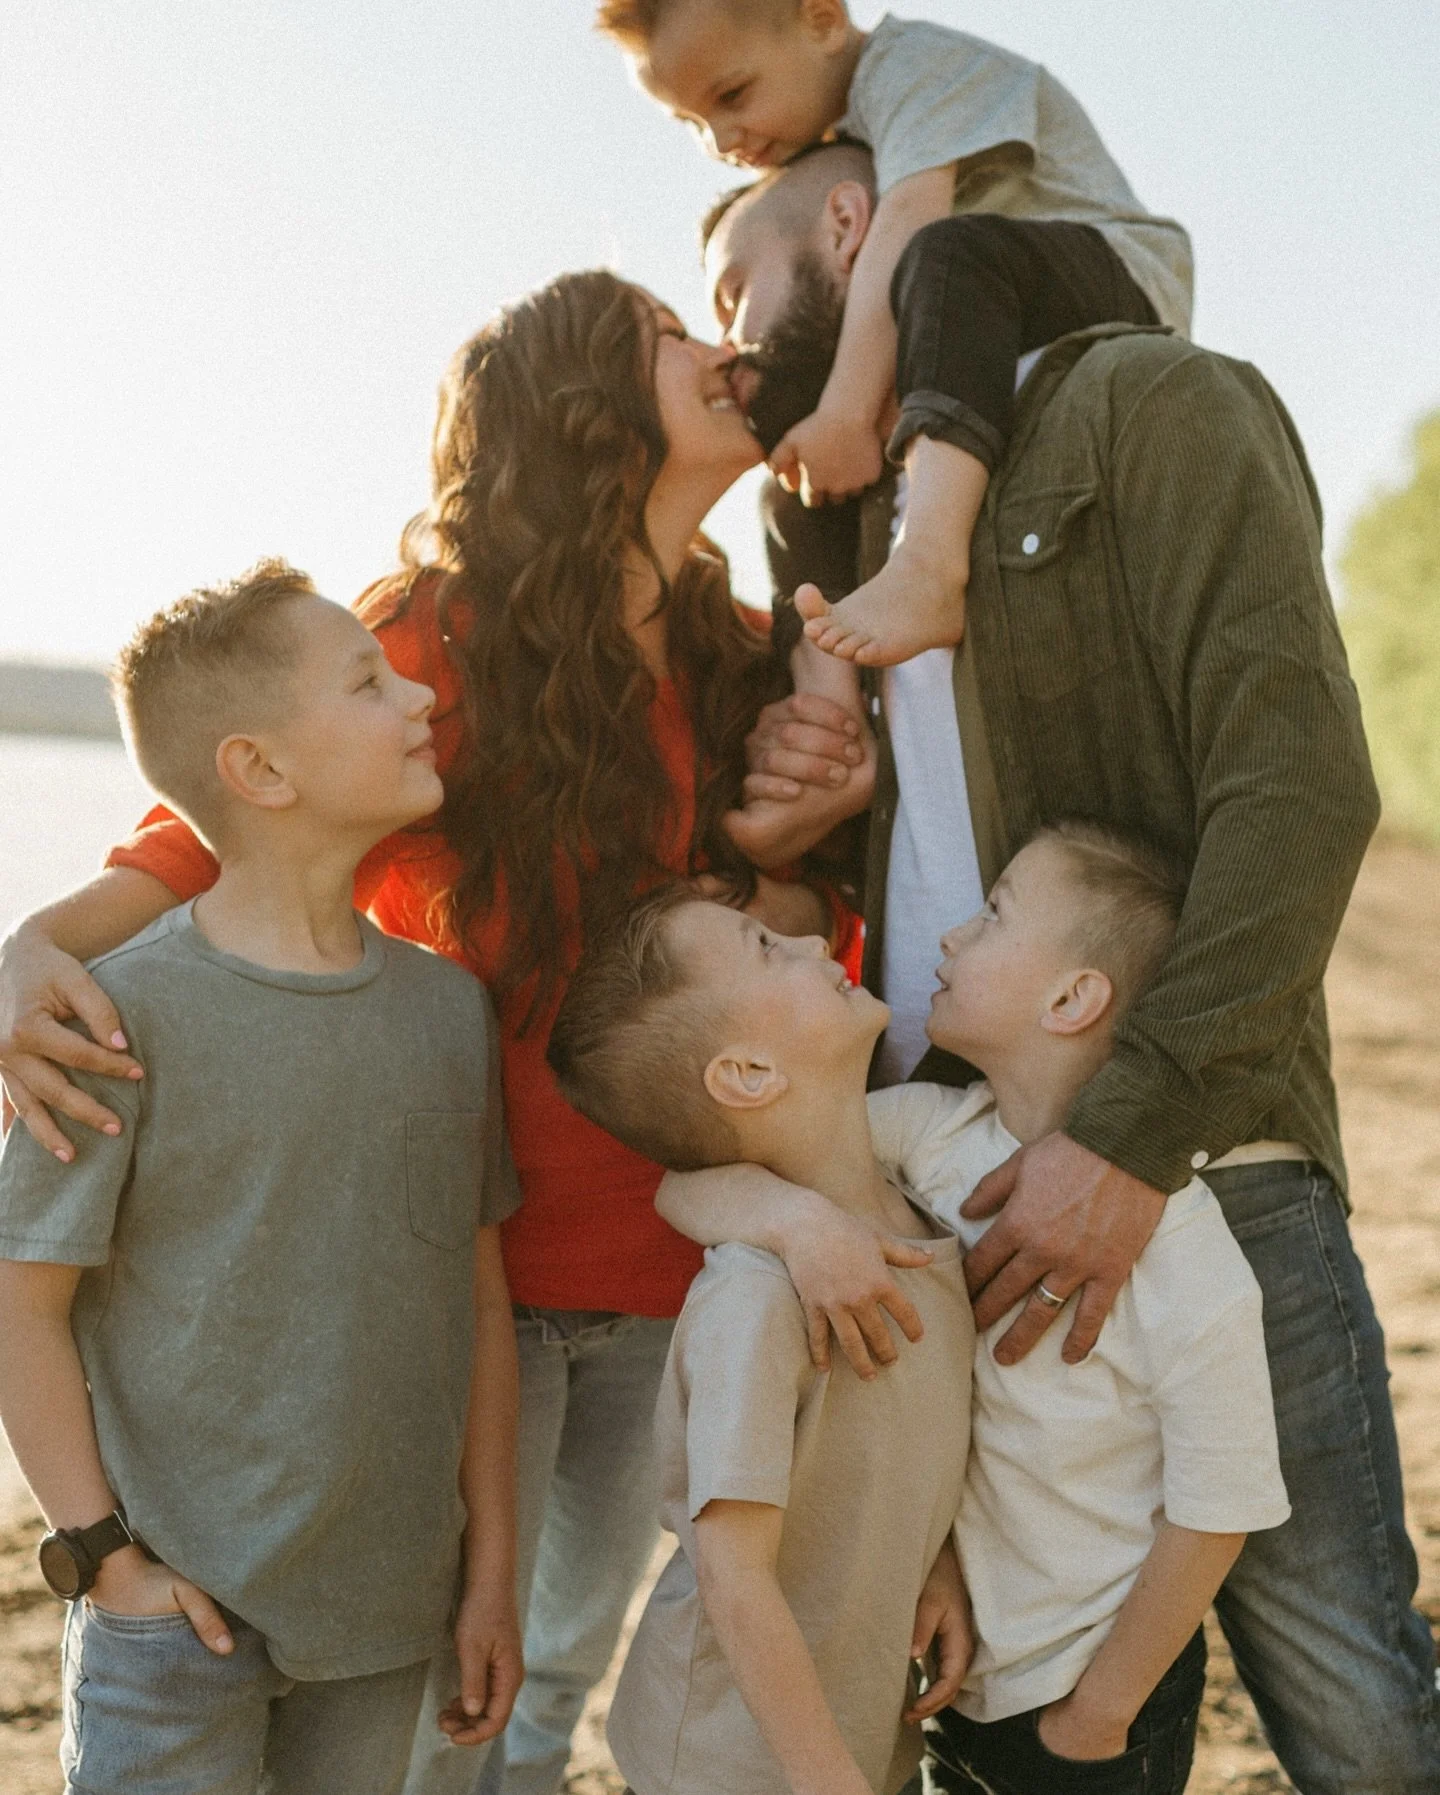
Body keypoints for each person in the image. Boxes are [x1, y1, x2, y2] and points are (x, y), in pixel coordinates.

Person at [0, 273, 846, 1795]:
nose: (725, 353)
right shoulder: (438, 639)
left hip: (680, 1259)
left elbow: (783, 956)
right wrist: (32, 949)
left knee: (554, 1669)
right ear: (583, 405)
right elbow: (213, 841)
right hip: (476, 1283)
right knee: (443, 1718)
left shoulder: (742, 652)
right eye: (671, 334)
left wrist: (813, 826)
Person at [691, 140, 1440, 1791]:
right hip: (946, 1182)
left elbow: (1298, 786)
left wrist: (1124, 1137)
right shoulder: (818, 534)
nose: (731, 340)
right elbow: (888, 882)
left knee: (1354, 1702)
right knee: (1022, 1716)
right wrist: (812, 826)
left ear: (848, 227)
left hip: (1197, 1164)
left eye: (737, 285)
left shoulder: (1153, 411)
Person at [0, 562, 522, 1795]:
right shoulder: (112, 1013)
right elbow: (22, 1308)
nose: (418, 698)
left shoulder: (449, 1012)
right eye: (368, 680)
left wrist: (490, 1569)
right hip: (170, 1620)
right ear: (261, 770)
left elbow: (479, 1304)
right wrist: (103, 1560)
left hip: (387, 1614)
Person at [661, 823, 1291, 1794]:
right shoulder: (930, 1130)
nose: (950, 936)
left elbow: (1218, 1511)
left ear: (1073, 998)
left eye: (993, 915)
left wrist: (1099, 1715)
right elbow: (688, 1183)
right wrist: (799, 1223)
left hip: (1091, 1695)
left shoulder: (1182, 1252)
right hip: (947, 1672)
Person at [596, 0, 1188, 667]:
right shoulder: (828, 135)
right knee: (793, 482)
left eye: (732, 95)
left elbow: (907, 224)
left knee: (944, 255)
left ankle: (930, 567)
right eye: (693, 122)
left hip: (1112, 283)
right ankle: (827, 693)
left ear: (821, 19)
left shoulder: (911, 67)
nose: (723, 140)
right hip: (985, 322)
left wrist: (847, 415)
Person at [546, 883, 973, 1795]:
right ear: (747, 1074)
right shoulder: (756, 1298)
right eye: (769, 948)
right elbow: (735, 1580)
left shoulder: (919, 1207)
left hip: (853, 1734)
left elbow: (887, 1446)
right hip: (733, 1758)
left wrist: (932, 1558)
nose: (814, 935)